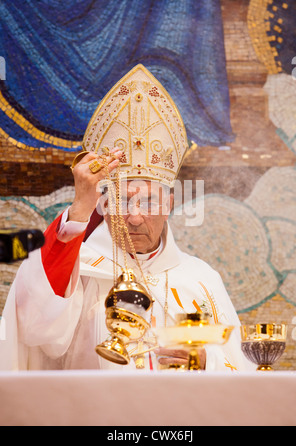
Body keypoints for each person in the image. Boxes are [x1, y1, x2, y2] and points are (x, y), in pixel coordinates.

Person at [0, 64, 252, 371]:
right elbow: (37, 327)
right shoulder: (80, 272)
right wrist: (81, 205)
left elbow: (241, 368)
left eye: (148, 202)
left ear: (169, 204)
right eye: (121, 201)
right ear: (103, 205)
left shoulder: (202, 280)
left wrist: (204, 362)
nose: (133, 218)